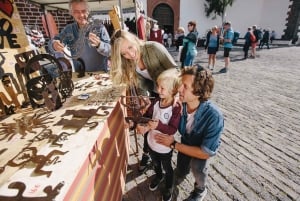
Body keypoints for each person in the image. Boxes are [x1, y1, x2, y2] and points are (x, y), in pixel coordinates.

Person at [110, 29, 177, 172]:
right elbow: (140, 85)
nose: (129, 54)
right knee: (148, 123)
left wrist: (175, 95)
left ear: (134, 40)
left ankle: (165, 159)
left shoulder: (153, 48)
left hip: (170, 93)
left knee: (164, 126)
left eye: (129, 47)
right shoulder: (128, 63)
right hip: (155, 93)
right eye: (124, 54)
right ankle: (149, 154)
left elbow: (175, 71)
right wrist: (143, 100)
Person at [155, 65, 224, 201]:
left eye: (185, 86)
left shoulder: (214, 117)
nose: (179, 89)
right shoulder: (181, 104)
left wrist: (173, 144)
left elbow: (205, 152)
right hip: (186, 141)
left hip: (201, 149)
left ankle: (200, 189)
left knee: (198, 168)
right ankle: (180, 174)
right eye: (181, 84)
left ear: (198, 92)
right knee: (182, 165)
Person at [136, 68, 181, 201]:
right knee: (156, 164)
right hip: (151, 143)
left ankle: (168, 187)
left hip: (164, 148)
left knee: (168, 168)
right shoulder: (156, 102)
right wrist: (142, 124)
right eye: (158, 86)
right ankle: (158, 176)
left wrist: (158, 125)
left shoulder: (175, 107)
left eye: (162, 88)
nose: (158, 90)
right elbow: (147, 116)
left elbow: (172, 130)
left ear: (173, 90)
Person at [49, 0, 111, 73]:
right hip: (80, 75)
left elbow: (110, 50)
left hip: (100, 74)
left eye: (83, 11)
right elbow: (51, 44)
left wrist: (99, 44)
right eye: (76, 12)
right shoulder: (69, 29)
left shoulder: (99, 27)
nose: (81, 15)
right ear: (71, 13)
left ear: (88, 11)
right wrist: (54, 44)